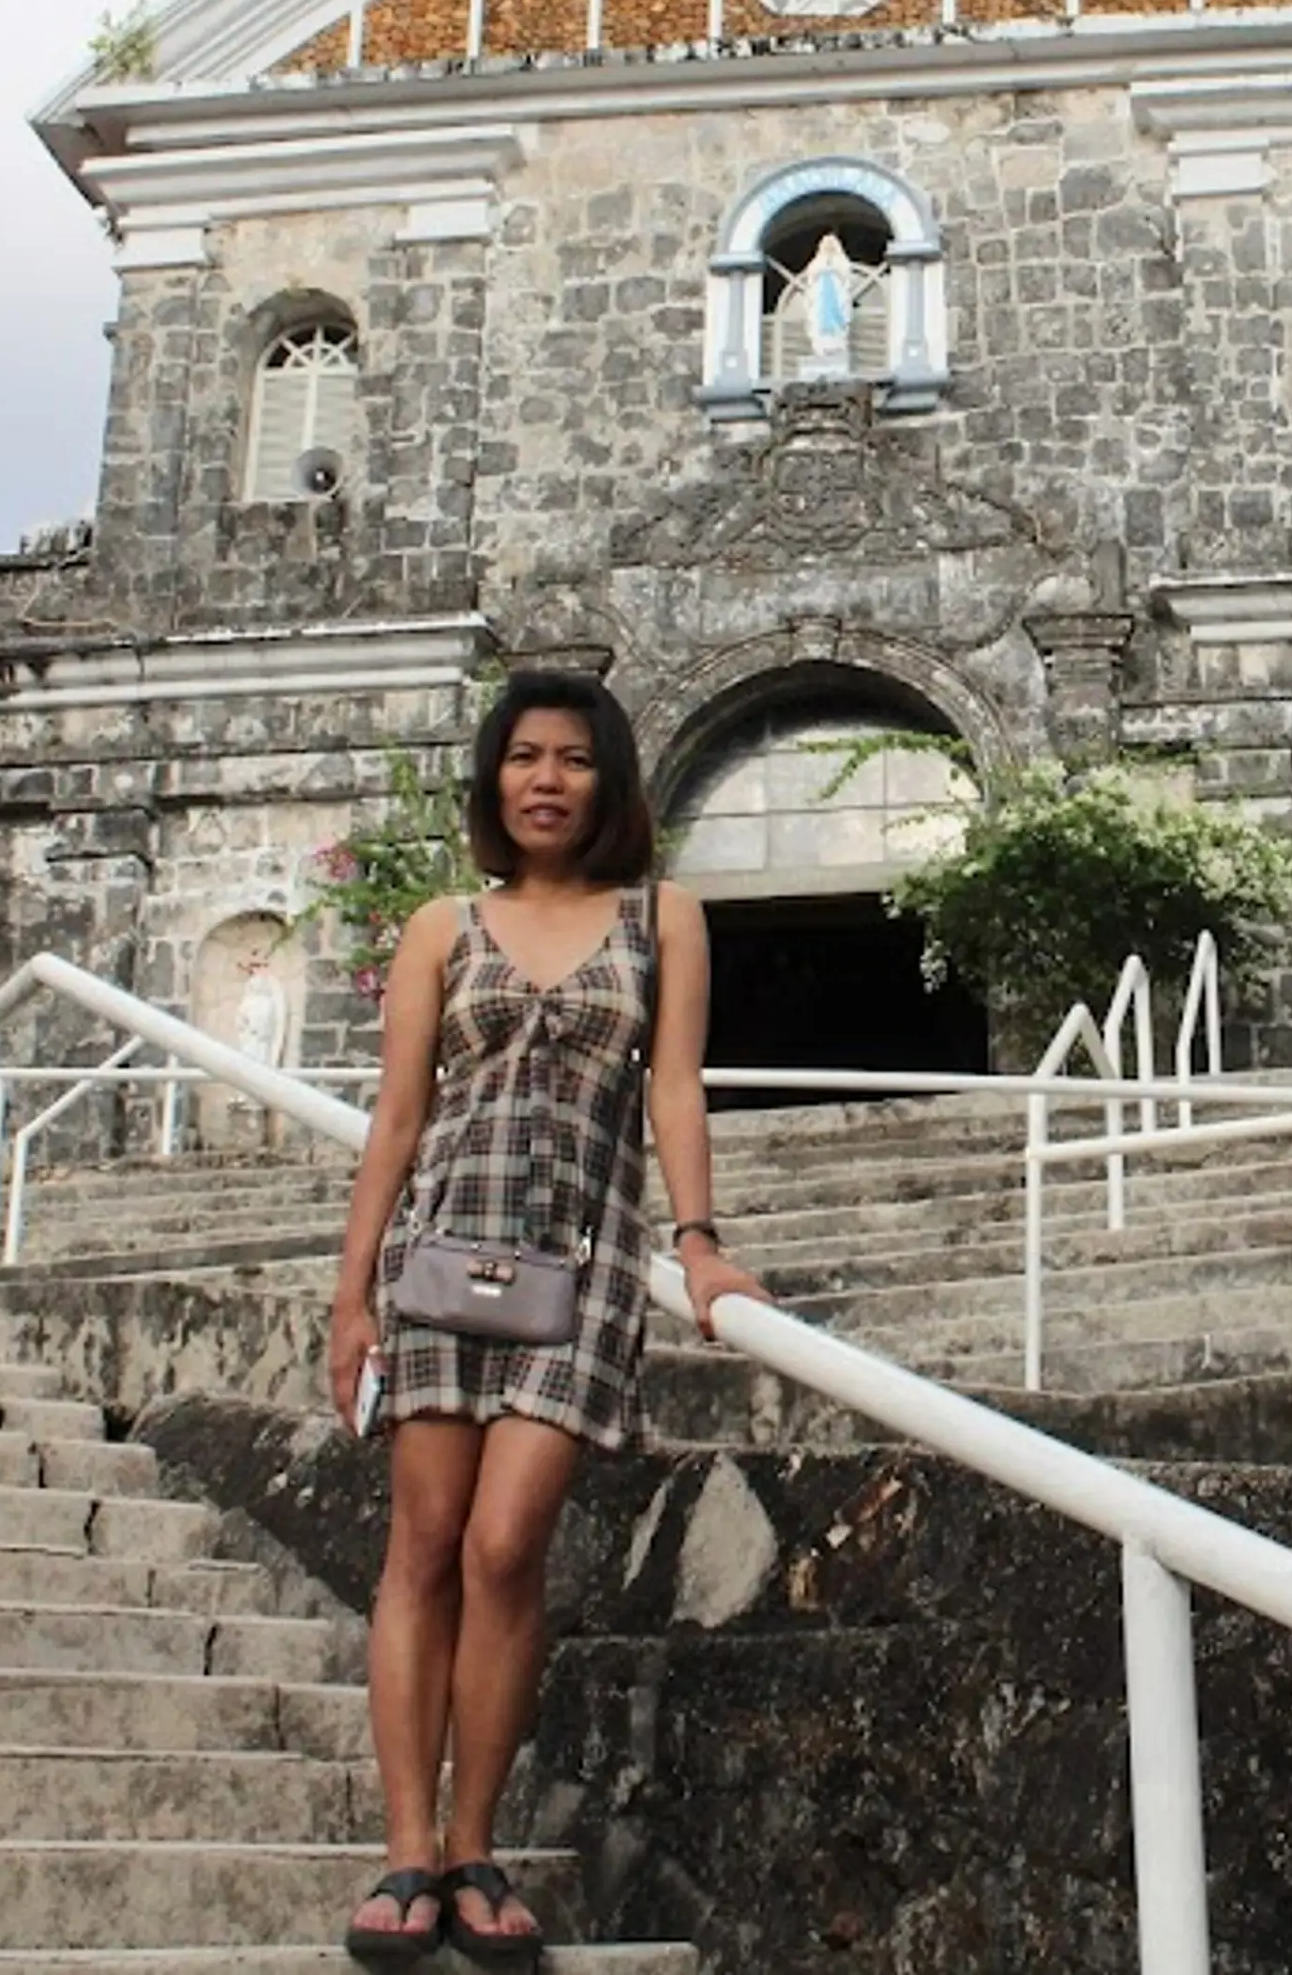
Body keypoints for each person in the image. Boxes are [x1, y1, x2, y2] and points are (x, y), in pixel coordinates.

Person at [326, 669, 769, 1964]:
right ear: (492, 777)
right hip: (436, 1263)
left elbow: (674, 1090)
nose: (546, 780)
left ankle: (476, 1842)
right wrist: (349, 1296)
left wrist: (698, 1243)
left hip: (580, 1268)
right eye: (523, 756)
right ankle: (411, 1855)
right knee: (424, 1542)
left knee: (507, 1546)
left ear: (611, 780)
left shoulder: (662, 918)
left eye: (574, 759)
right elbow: (397, 1122)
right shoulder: (441, 925)